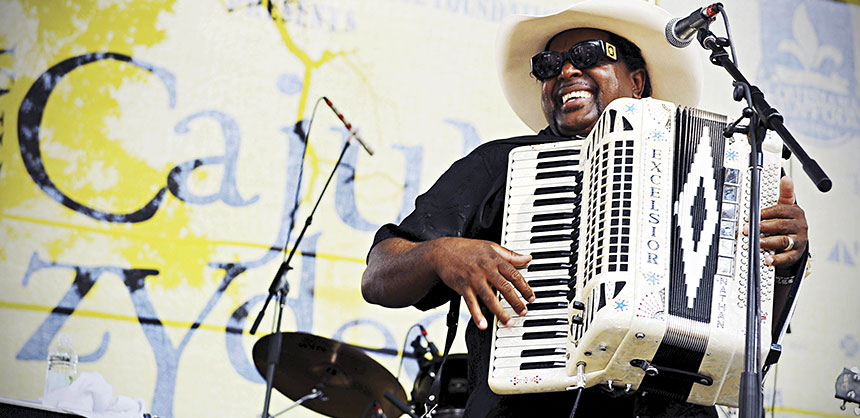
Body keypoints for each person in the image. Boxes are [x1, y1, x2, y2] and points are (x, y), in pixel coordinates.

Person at [361, 1, 810, 416]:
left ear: (638, 82)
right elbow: (380, 275)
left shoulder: (714, 170)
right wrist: (441, 253)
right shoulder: (500, 164)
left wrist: (783, 263)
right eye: (549, 65)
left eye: (590, 53)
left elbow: (751, 340)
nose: (567, 70)